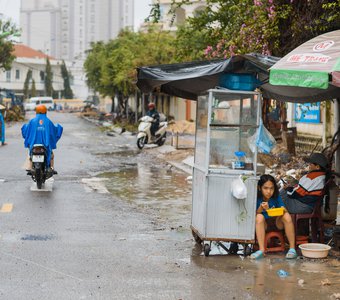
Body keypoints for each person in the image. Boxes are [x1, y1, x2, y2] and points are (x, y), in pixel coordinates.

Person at [250, 174, 297, 259]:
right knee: (259, 217)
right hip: (263, 225)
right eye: (266, 188)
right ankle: (261, 250)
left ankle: (292, 249)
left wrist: (282, 210)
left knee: (286, 215)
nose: (269, 191)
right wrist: (260, 208)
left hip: (277, 223)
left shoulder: (276, 196)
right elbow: (254, 215)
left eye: (271, 188)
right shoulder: (256, 197)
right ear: (260, 188)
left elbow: (284, 209)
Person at [21, 104, 63, 174]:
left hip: (34, 144)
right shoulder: (48, 121)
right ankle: (51, 168)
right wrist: (59, 127)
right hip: (45, 144)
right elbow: (54, 131)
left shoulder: (32, 121)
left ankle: (30, 167)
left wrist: (24, 127)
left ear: (36, 112)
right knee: (51, 154)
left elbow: (26, 130)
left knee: (30, 153)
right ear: (45, 112)